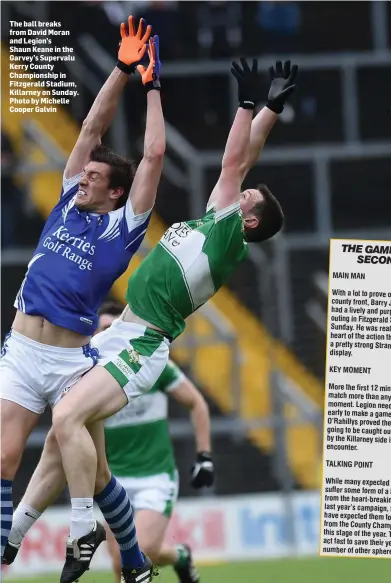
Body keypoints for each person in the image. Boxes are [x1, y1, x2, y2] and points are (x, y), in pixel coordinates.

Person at [7, 57, 297, 581]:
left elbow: (235, 161)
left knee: (68, 419)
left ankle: (80, 537)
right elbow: (246, 158)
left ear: (248, 219)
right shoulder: (216, 220)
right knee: (61, 436)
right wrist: (273, 107)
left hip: (144, 342)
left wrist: (247, 104)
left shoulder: (230, 235)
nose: (241, 188)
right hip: (120, 333)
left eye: (248, 197)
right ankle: (17, 539)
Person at [0, 16, 165, 583]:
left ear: (115, 191)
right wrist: (120, 71)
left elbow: (152, 161)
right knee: (4, 456)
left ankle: (123, 555)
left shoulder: (124, 228)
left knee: (96, 476)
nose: (84, 176)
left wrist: (152, 88)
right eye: (86, 173)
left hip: (72, 359)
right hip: (22, 347)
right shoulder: (69, 201)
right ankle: (124, 563)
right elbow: (93, 127)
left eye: (95, 177)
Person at [4, 300, 213, 583]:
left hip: (155, 477)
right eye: (101, 329)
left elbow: (196, 403)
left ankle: (178, 556)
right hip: (115, 479)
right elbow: (60, 442)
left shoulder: (150, 363)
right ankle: (177, 555)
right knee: (121, 562)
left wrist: (204, 455)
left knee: (146, 548)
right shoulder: (87, 376)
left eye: (111, 327)